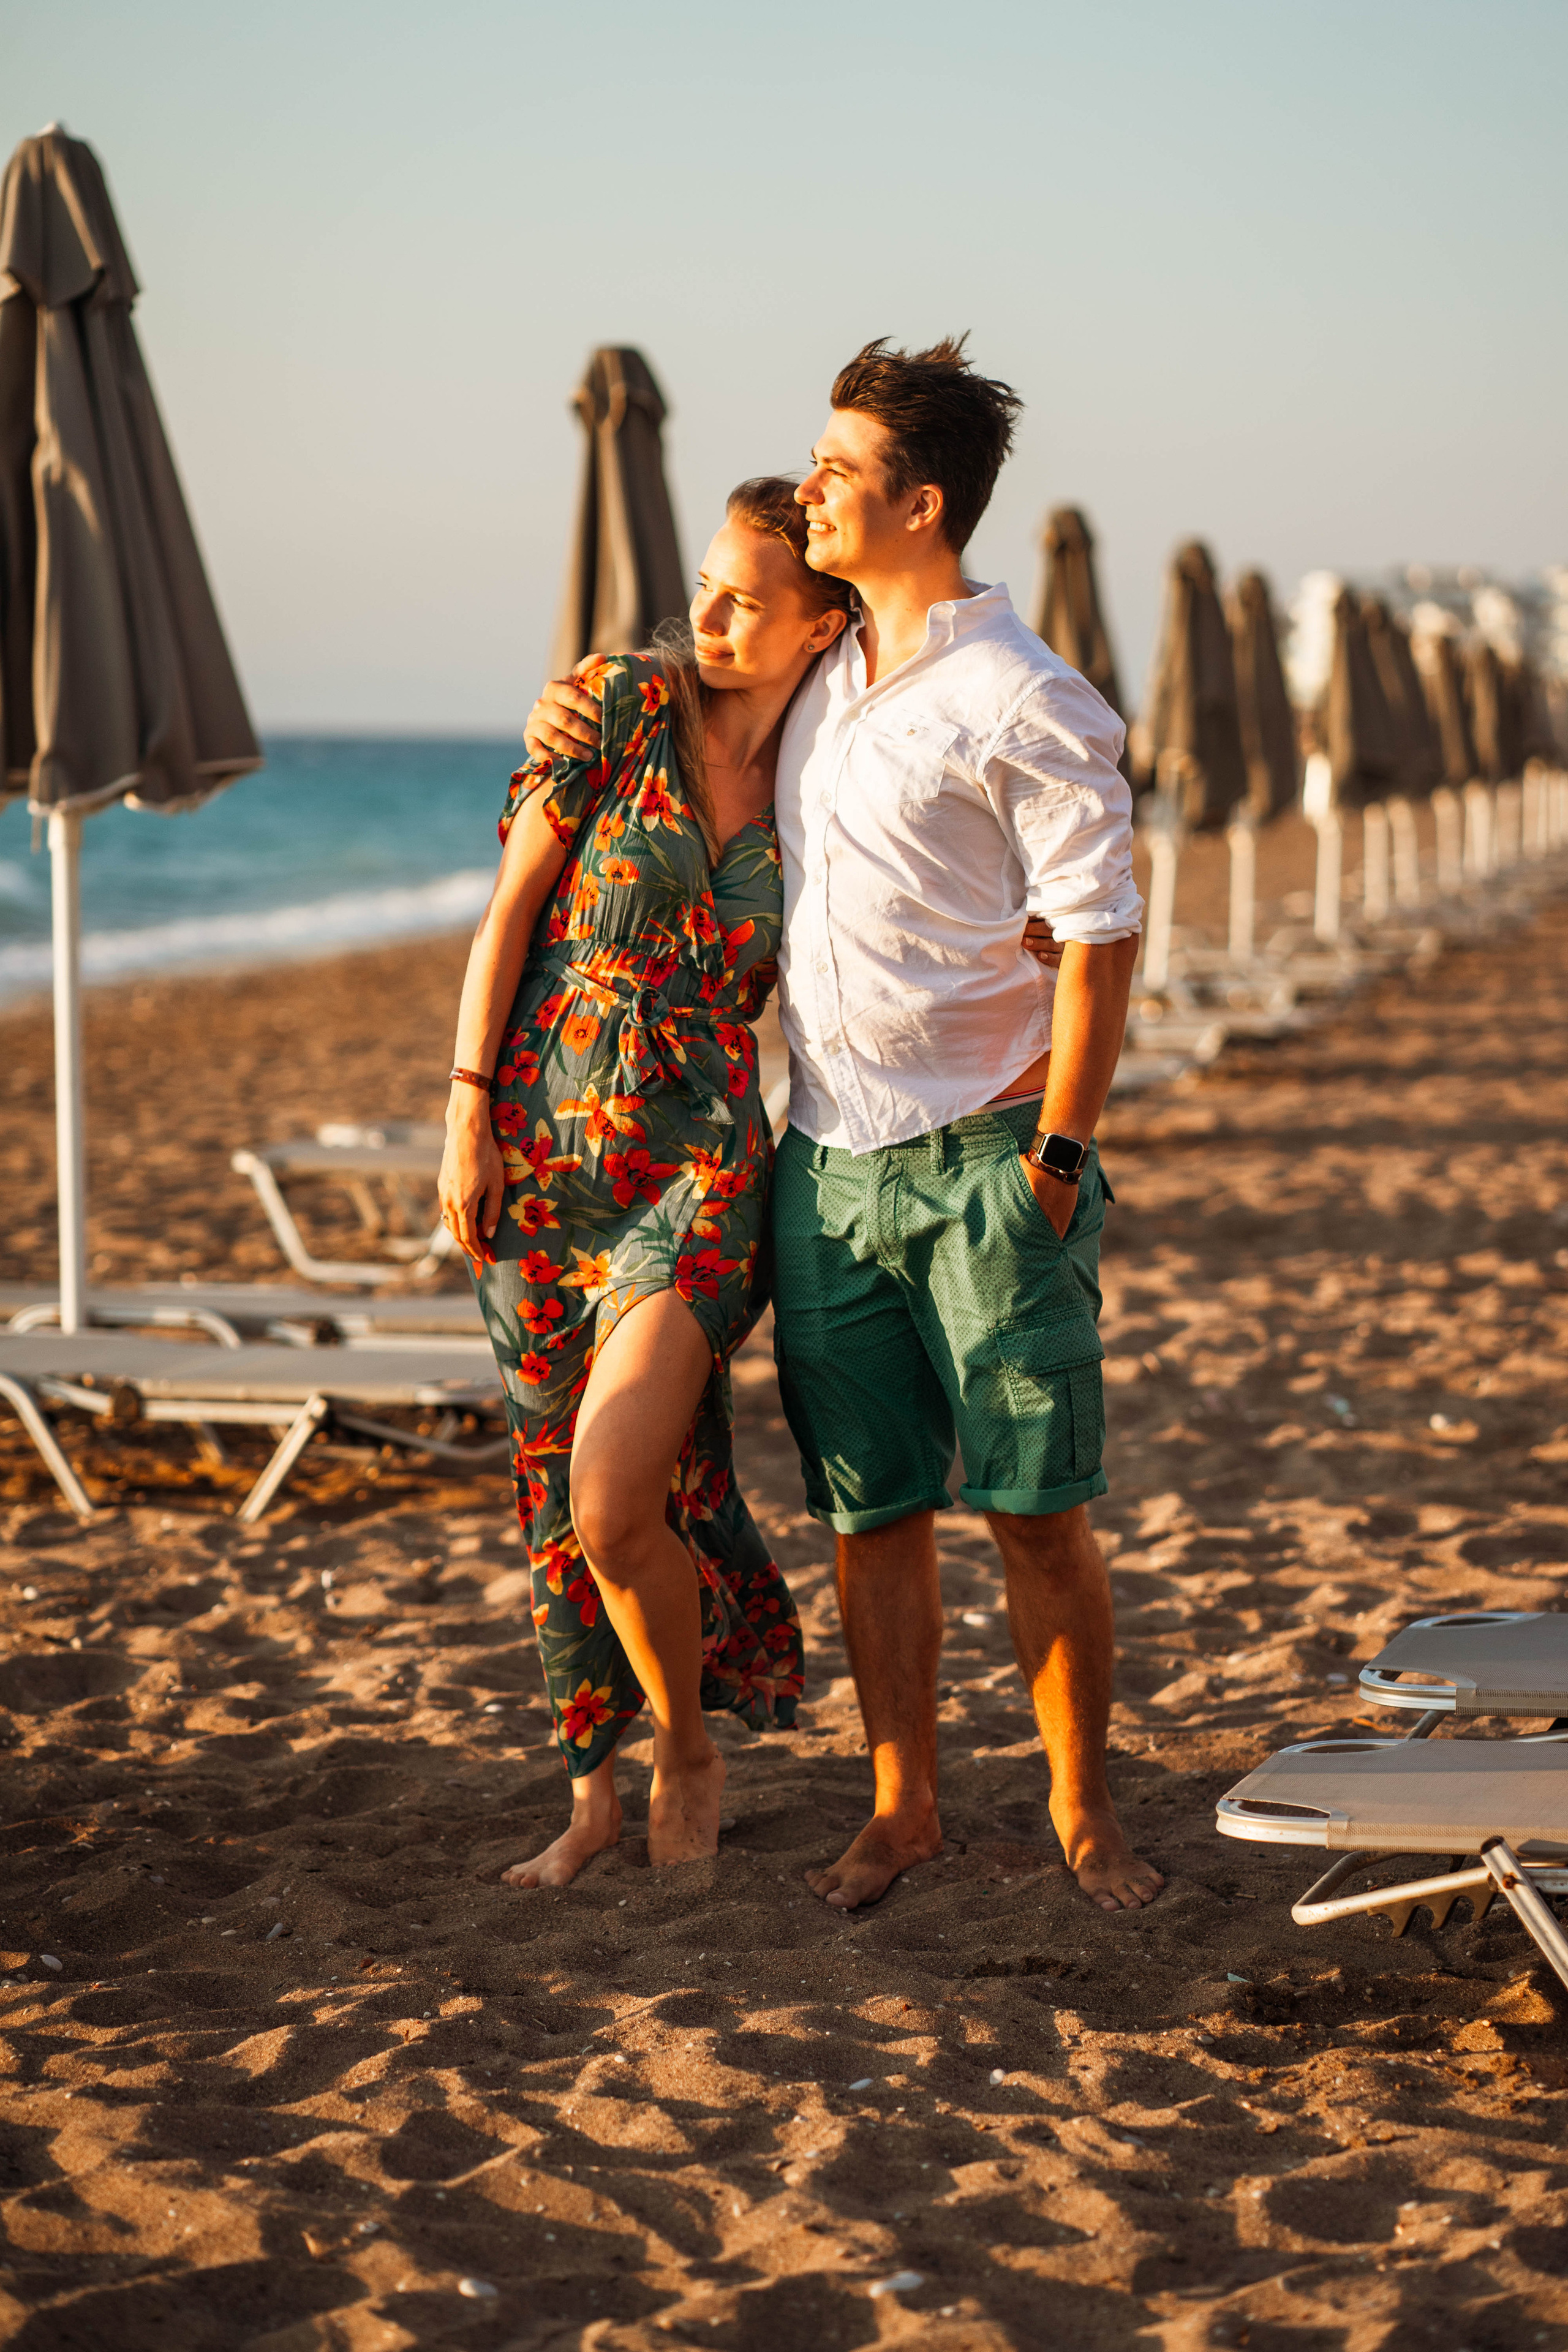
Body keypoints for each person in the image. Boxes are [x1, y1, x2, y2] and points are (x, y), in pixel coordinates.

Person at [524, 338, 1164, 1917]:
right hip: (820, 1157)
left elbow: (1098, 932)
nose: (807, 483)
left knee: (1032, 1509)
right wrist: (586, 703)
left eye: (837, 466)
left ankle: (1083, 1815)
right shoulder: (815, 676)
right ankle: (903, 1810)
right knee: (870, 1513)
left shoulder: (1025, 696)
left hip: (986, 1160)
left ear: (920, 504)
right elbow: (696, 681)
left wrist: (1058, 1156)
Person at [437, 478, 851, 1885]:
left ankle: (684, 1738)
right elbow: (506, 923)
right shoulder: (617, 705)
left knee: (615, 1493)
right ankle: (591, 1797)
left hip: (703, 1167)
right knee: (556, 1492)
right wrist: (464, 1112)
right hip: (547, 1164)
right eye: (706, 584)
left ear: (820, 624)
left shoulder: (827, 765)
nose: (709, 615)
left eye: (748, 599)